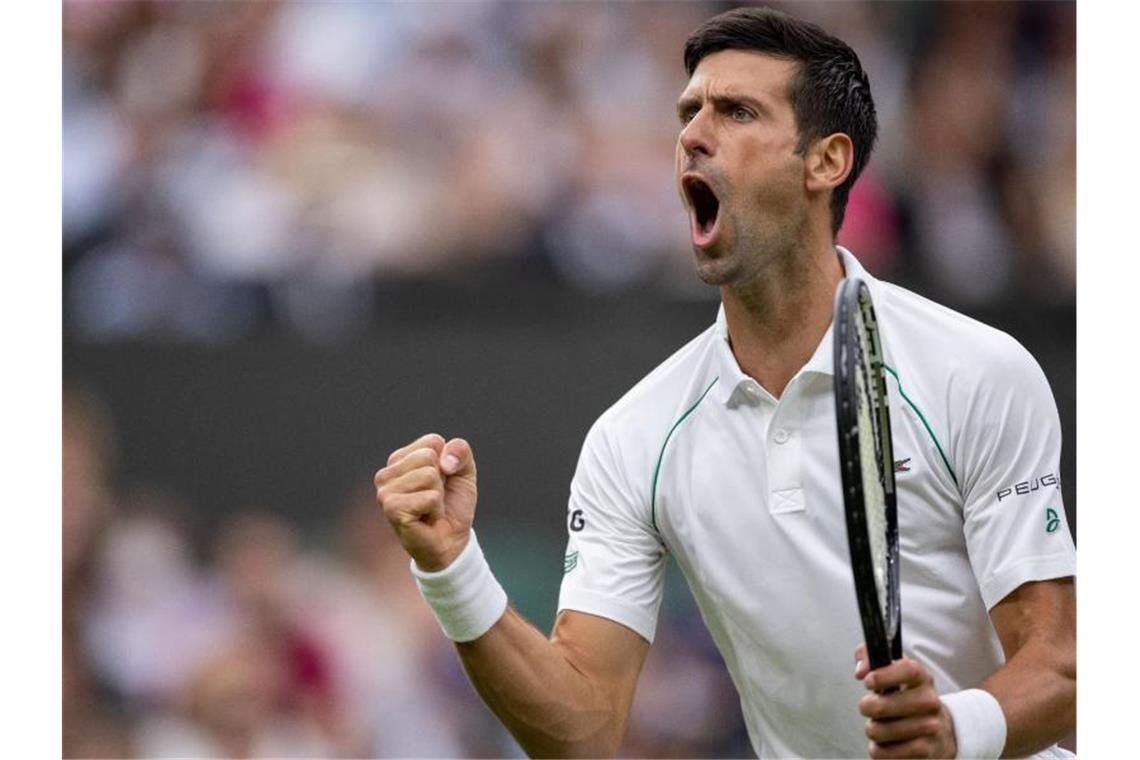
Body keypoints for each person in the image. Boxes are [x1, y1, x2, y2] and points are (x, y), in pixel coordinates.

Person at [373, 7, 1075, 758]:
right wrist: (452, 569)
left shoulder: (976, 371)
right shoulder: (633, 438)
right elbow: (582, 729)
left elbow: (1062, 664)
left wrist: (954, 731)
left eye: (737, 112)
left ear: (826, 162)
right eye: (688, 113)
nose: (692, 136)